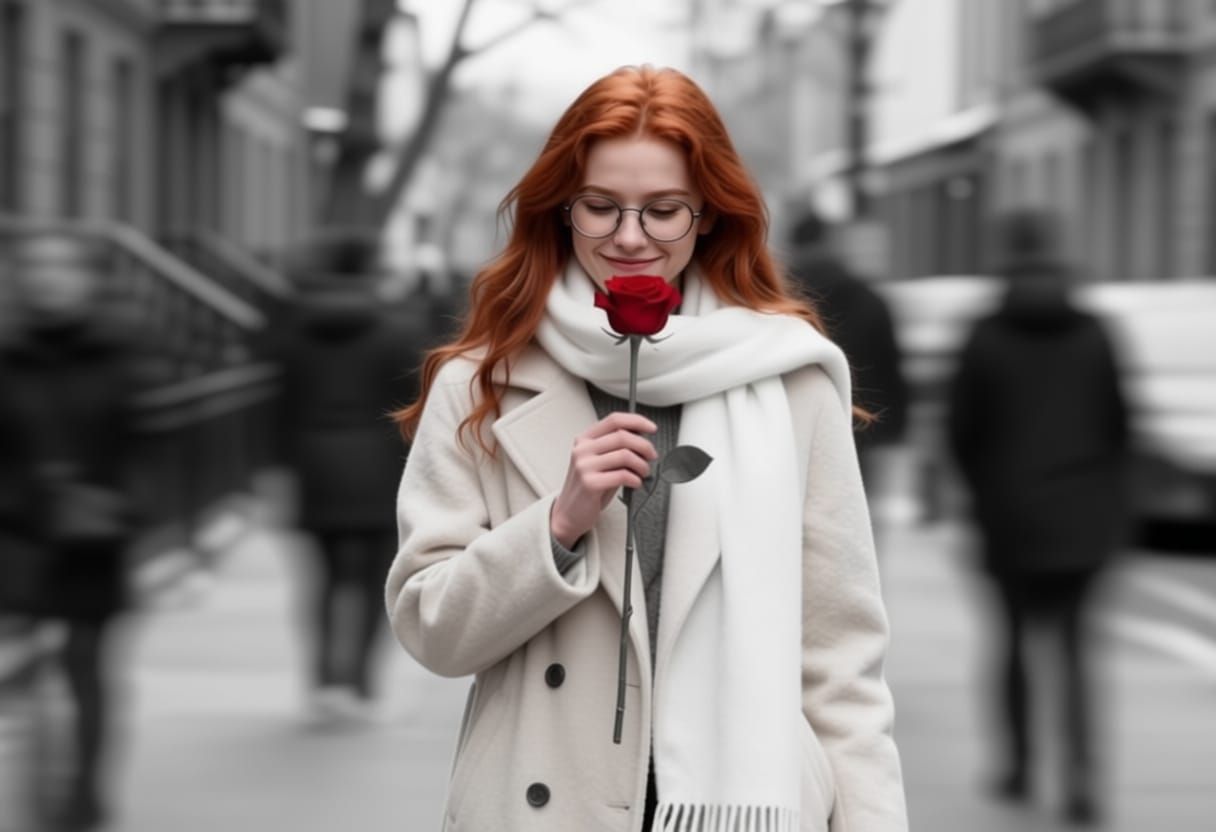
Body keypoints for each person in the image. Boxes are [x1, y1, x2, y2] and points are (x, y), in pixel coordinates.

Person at [386, 66, 907, 831]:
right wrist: (557, 528)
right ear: (561, 212)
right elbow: (431, 629)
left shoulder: (790, 381)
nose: (630, 238)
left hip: (750, 804)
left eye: (663, 211)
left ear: (707, 218)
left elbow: (841, 664)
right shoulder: (484, 383)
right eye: (601, 207)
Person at [946, 209, 1130, 826]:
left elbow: (961, 432)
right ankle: (1081, 781)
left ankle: (1020, 765)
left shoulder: (985, 334)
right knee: (1076, 650)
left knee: (1013, 642)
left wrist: (983, 493)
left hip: (1009, 511)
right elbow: (1119, 424)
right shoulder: (1095, 331)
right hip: (1084, 512)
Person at [0, 232, 154, 830]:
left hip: (94, 538)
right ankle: (37, 793)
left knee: (86, 668)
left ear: (88, 280)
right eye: (35, 266)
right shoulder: (7, 353)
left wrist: (125, 507)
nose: (48, 279)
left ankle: (83, 799)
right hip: (17, 534)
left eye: (62, 267)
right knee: (26, 669)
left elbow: (146, 444)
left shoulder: (120, 354)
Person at [271, 259, 433, 722]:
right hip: (381, 466)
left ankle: (323, 680)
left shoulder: (292, 335)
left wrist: (279, 471)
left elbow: (278, 411)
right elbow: (416, 409)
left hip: (314, 465)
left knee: (321, 579)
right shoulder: (399, 335)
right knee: (376, 581)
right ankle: (361, 683)